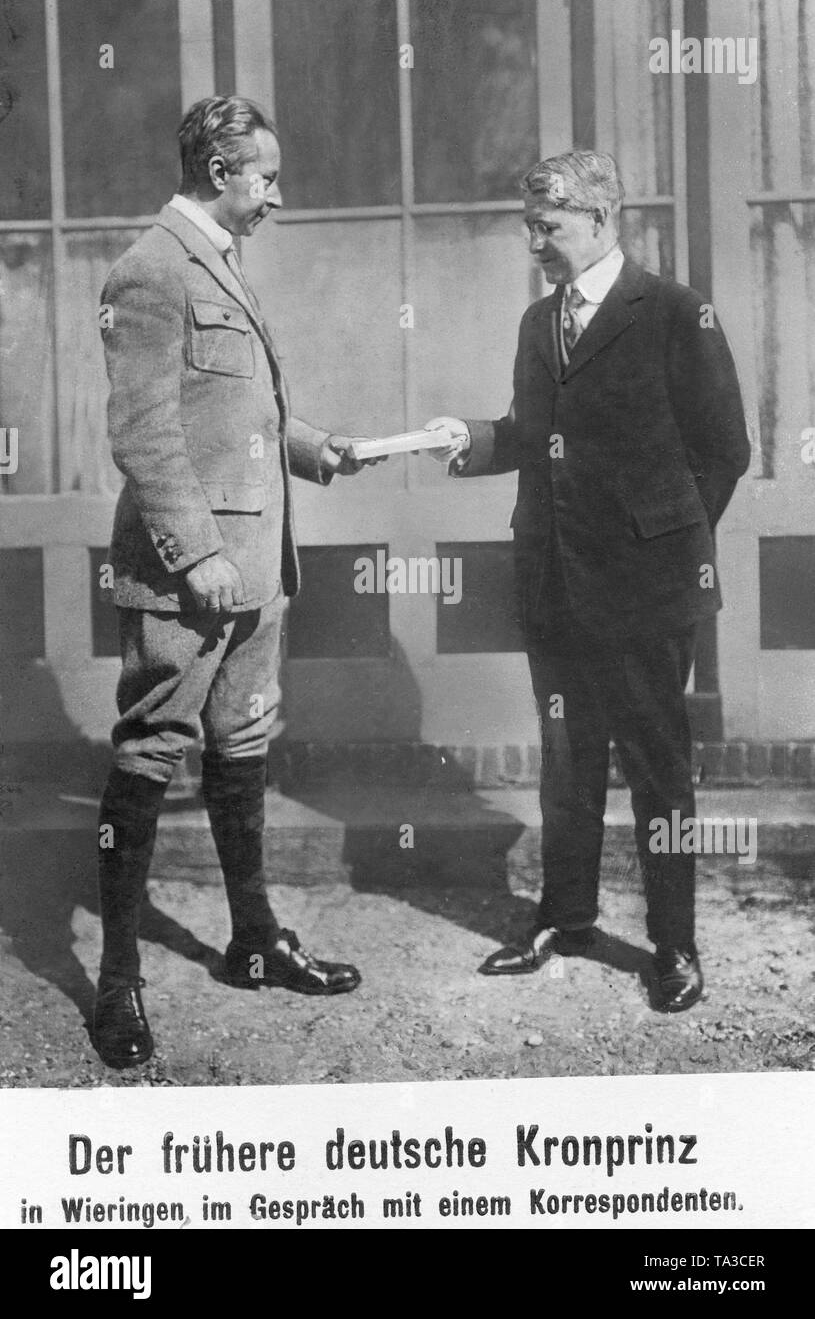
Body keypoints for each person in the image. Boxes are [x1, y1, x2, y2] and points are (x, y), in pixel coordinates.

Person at [94, 96, 383, 1070]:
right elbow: (142, 430)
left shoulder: (217, 260)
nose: (276, 194)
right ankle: (118, 978)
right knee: (148, 751)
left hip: (256, 568)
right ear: (220, 171)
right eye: (264, 176)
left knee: (242, 740)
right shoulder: (151, 266)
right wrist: (196, 551)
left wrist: (318, 449)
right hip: (187, 577)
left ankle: (253, 939)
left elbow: (230, 410)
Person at [426, 150, 751, 1013]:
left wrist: (662, 545)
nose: (535, 241)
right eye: (530, 226)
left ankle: (673, 947)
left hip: (647, 588)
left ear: (602, 222)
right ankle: (563, 921)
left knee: (656, 767)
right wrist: (468, 440)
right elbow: (534, 435)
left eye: (550, 226)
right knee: (567, 760)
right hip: (555, 580)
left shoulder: (677, 313)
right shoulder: (540, 323)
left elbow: (724, 451)